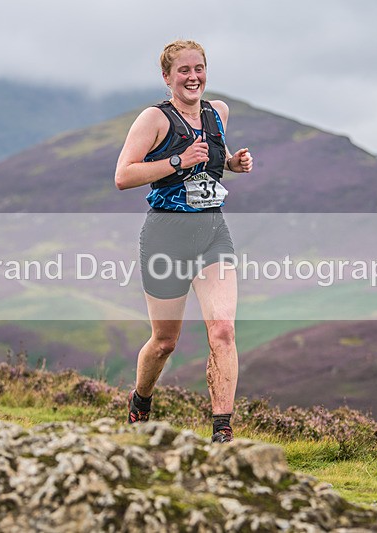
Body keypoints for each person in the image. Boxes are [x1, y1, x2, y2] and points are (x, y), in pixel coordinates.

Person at [114, 40, 253, 443]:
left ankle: (222, 433)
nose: (193, 77)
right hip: (165, 236)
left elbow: (215, 156)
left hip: (212, 232)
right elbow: (123, 176)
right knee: (164, 342)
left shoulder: (217, 112)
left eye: (199, 69)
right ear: (167, 77)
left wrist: (233, 164)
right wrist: (177, 161)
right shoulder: (154, 119)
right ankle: (141, 402)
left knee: (223, 331)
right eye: (184, 71)